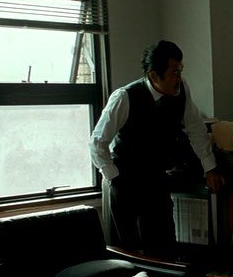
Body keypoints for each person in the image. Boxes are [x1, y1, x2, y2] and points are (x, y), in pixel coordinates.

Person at [89, 40, 223, 256]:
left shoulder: (181, 90)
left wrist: (210, 168)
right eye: (174, 73)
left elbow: (196, 128)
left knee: (164, 246)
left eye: (180, 71)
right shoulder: (124, 97)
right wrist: (113, 177)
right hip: (125, 181)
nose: (179, 78)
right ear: (154, 75)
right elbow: (97, 142)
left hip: (157, 179)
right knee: (129, 251)